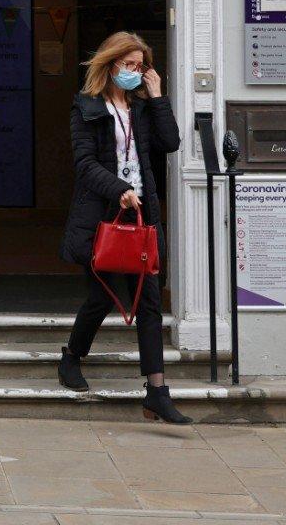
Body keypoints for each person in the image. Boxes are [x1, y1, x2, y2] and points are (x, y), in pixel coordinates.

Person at [57, 30, 189, 424]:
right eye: (128, 65)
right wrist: (120, 190)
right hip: (101, 215)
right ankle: (71, 358)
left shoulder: (143, 109)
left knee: (148, 302)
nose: (134, 71)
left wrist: (157, 94)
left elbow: (171, 142)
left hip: (141, 216)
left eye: (140, 66)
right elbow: (84, 165)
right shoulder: (87, 108)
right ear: (110, 64)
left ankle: (157, 392)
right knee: (101, 298)